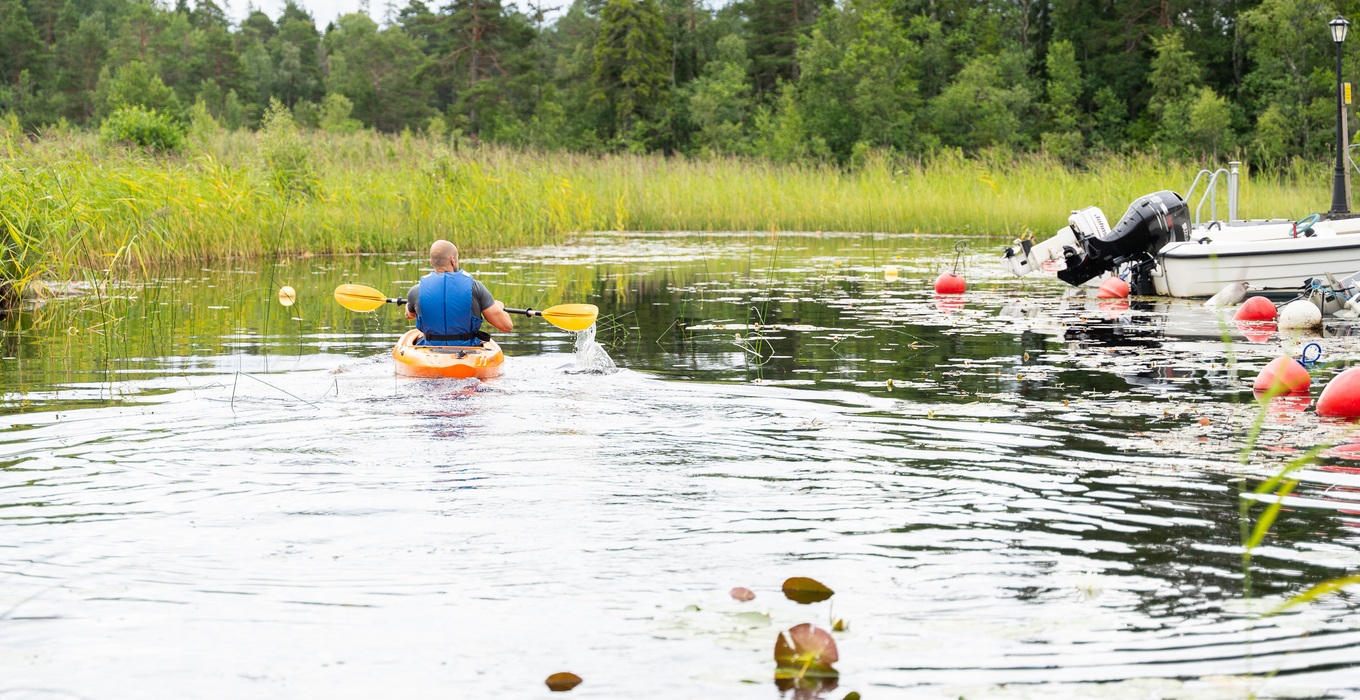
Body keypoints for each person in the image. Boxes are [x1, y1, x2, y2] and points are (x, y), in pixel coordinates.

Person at [405, 240, 513, 346]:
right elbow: (506, 326)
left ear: (431, 262)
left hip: (430, 351)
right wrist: (499, 307)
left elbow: (409, 315)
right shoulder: (475, 287)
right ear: (452, 260)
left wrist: (408, 305)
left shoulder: (415, 291)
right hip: (468, 351)